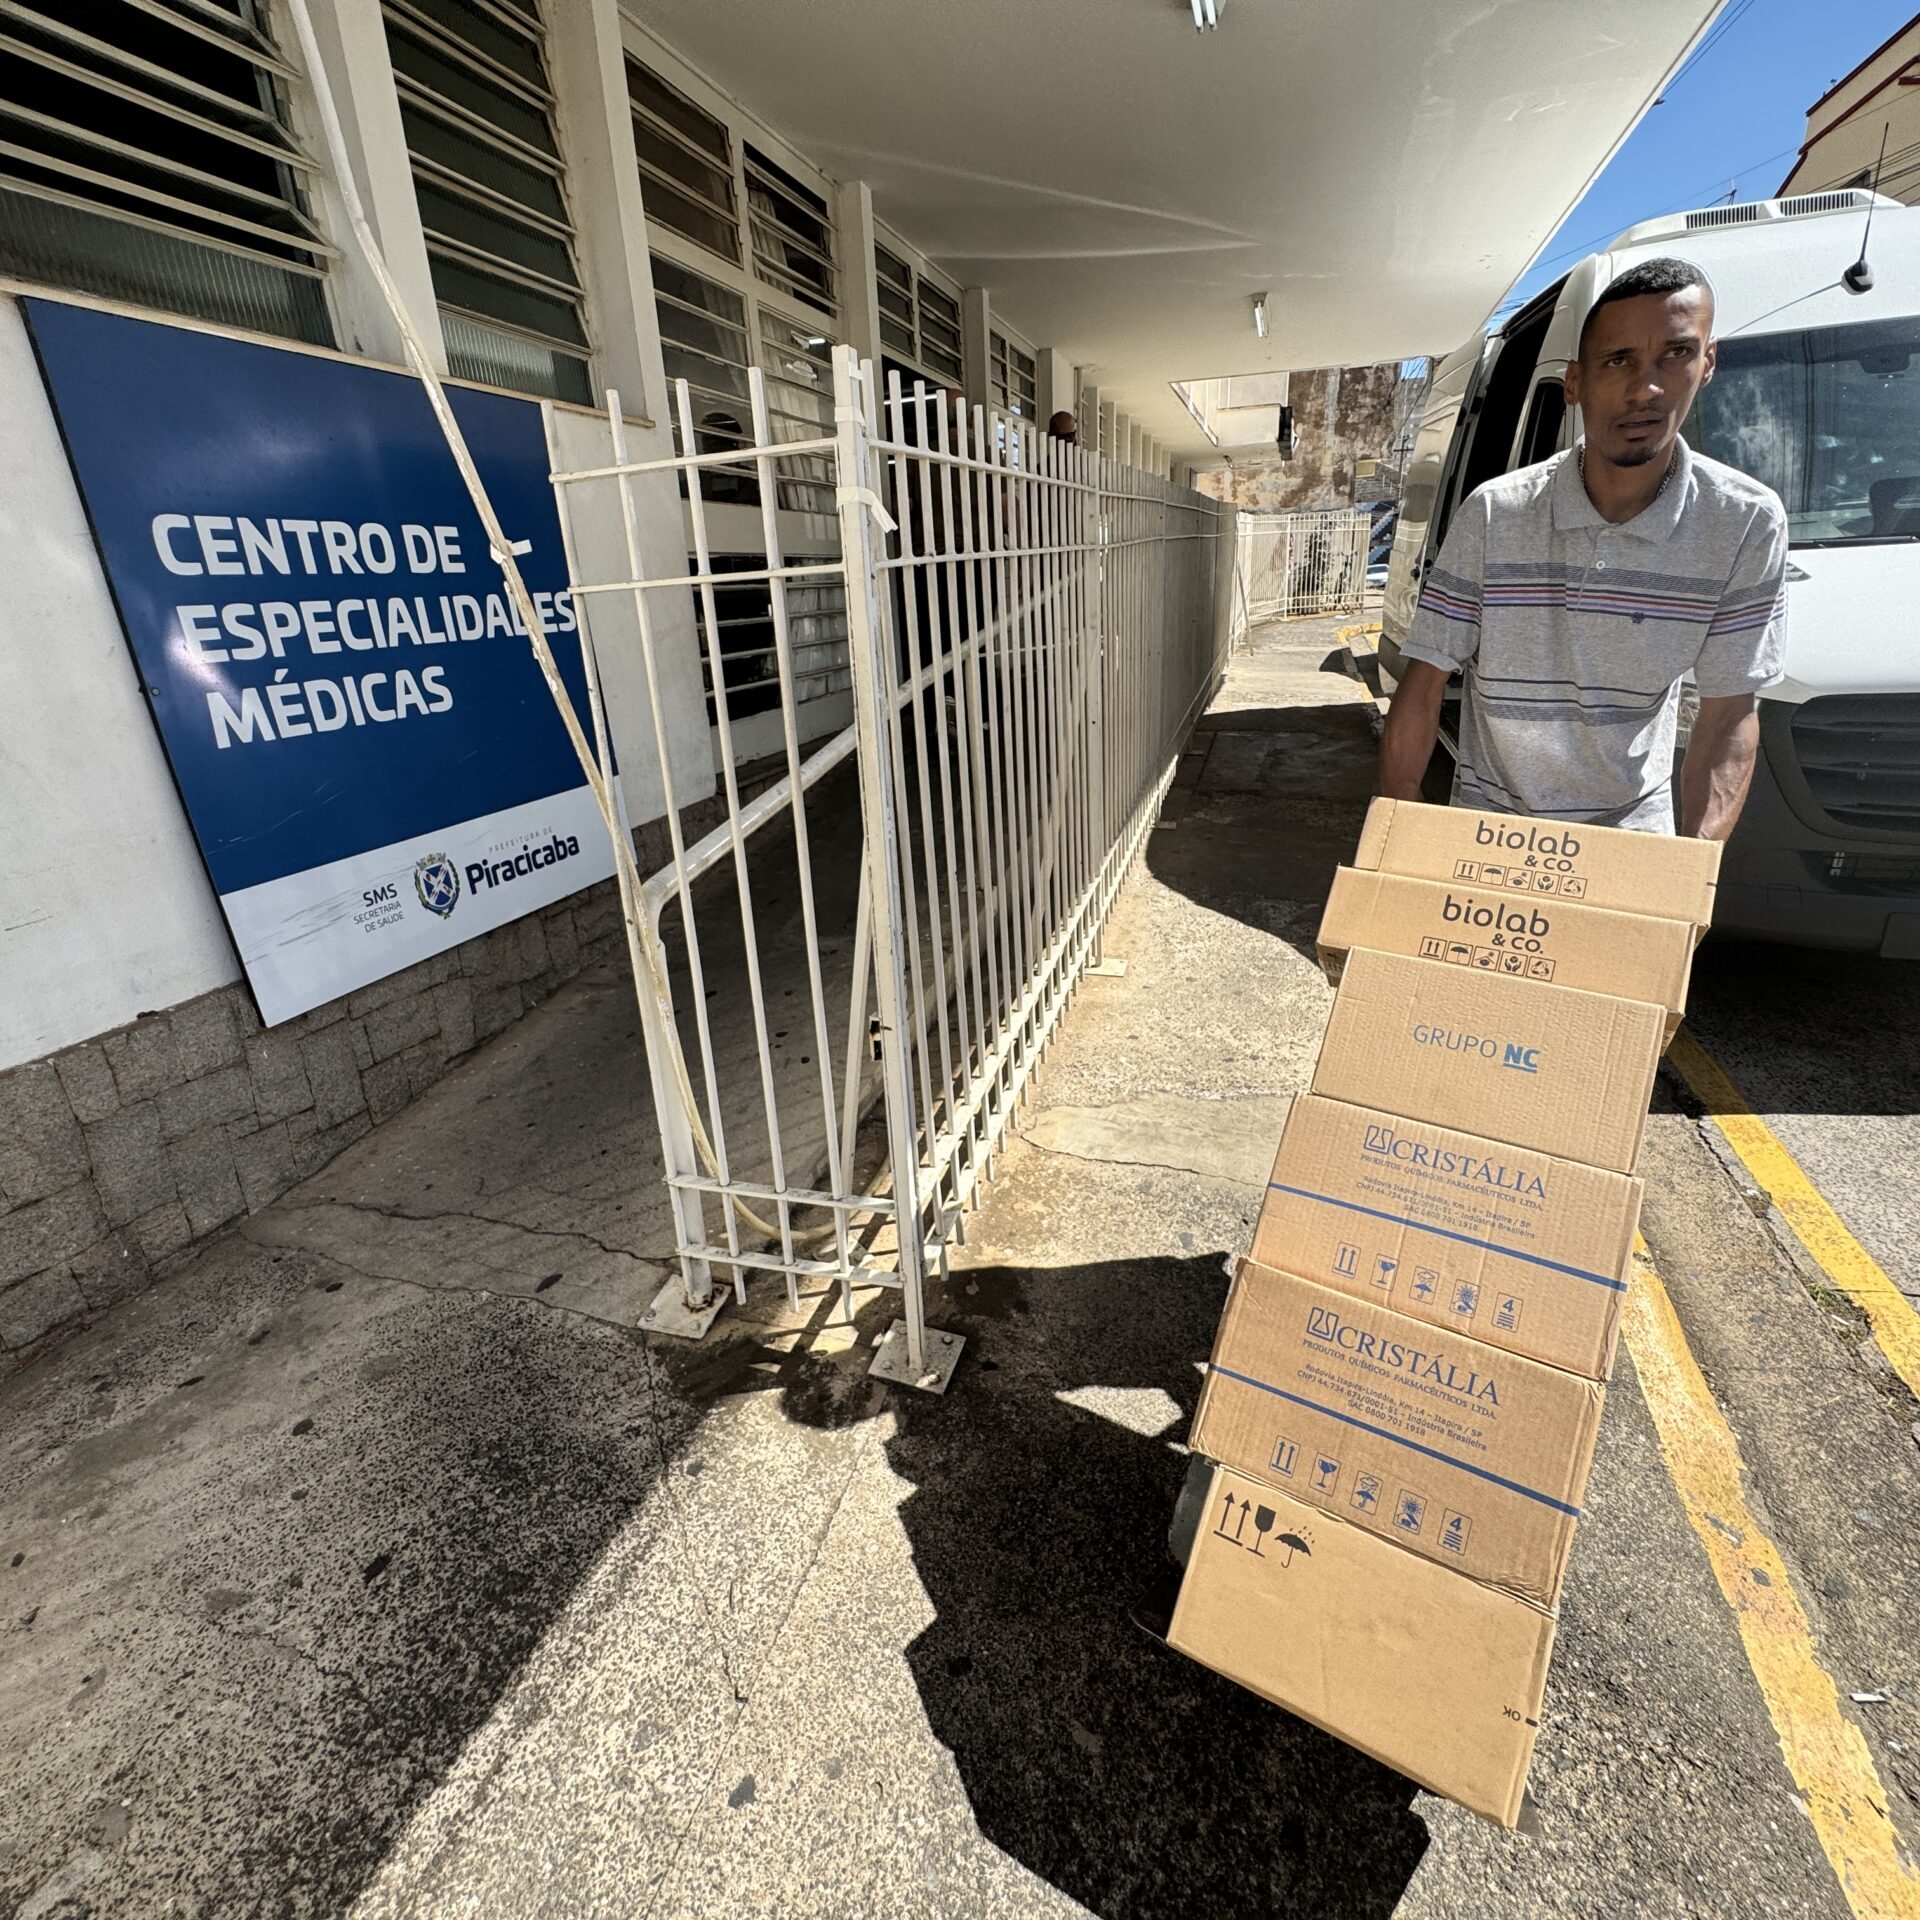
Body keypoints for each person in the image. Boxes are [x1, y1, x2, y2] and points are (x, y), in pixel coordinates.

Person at [1379, 256, 1788, 840]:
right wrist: (1397, 830)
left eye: (1675, 354)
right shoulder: (1496, 514)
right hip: (1489, 834)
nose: (1645, 388)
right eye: (1618, 359)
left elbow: (1727, 715)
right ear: (1575, 382)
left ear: (1708, 362)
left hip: (1630, 842)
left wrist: (1692, 879)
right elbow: (1423, 684)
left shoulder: (1743, 523)